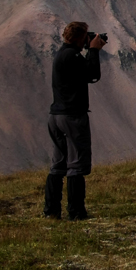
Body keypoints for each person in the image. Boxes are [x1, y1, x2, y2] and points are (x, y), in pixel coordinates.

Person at [44, 21, 106, 220]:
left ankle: (51, 211)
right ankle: (76, 211)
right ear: (80, 38)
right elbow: (92, 74)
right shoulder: (72, 56)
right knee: (76, 164)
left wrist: (89, 50)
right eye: (86, 36)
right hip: (72, 117)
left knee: (58, 164)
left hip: (56, 116)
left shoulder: (61, 54)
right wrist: (94, 51)